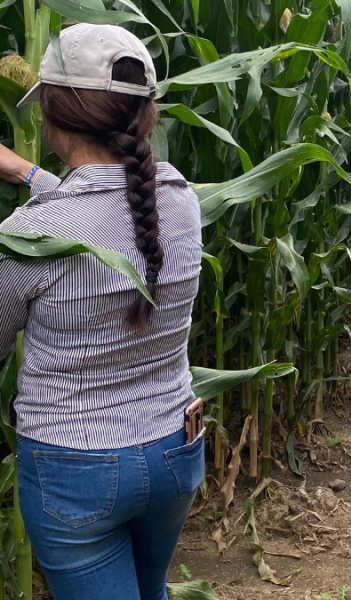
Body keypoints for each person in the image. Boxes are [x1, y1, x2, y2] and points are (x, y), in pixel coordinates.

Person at [0, 24, 203, 600]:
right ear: (144, 115)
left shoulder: (29, 236)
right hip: (174, 453)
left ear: (52, 117)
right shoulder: (182, 198)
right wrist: (27, 173)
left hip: (74, 471)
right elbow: (109, 211)